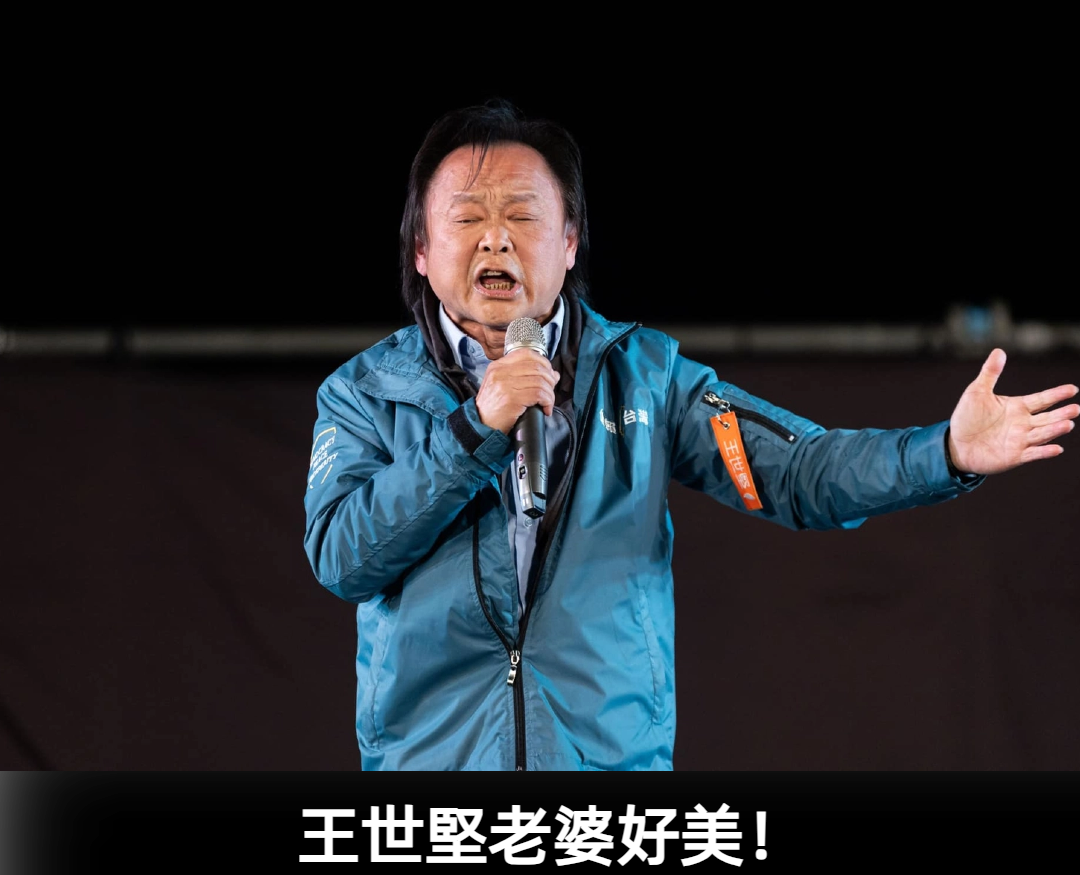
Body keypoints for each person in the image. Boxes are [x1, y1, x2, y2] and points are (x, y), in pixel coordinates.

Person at [303, 101, 1078, 771]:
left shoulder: (645, 377)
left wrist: (943, 450)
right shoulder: (364, 393)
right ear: (421, 249)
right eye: (468, 217)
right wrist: (476, 428)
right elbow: (341, 556)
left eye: (523, 216)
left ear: (569, 241)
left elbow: (798, 471)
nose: (496, 240)